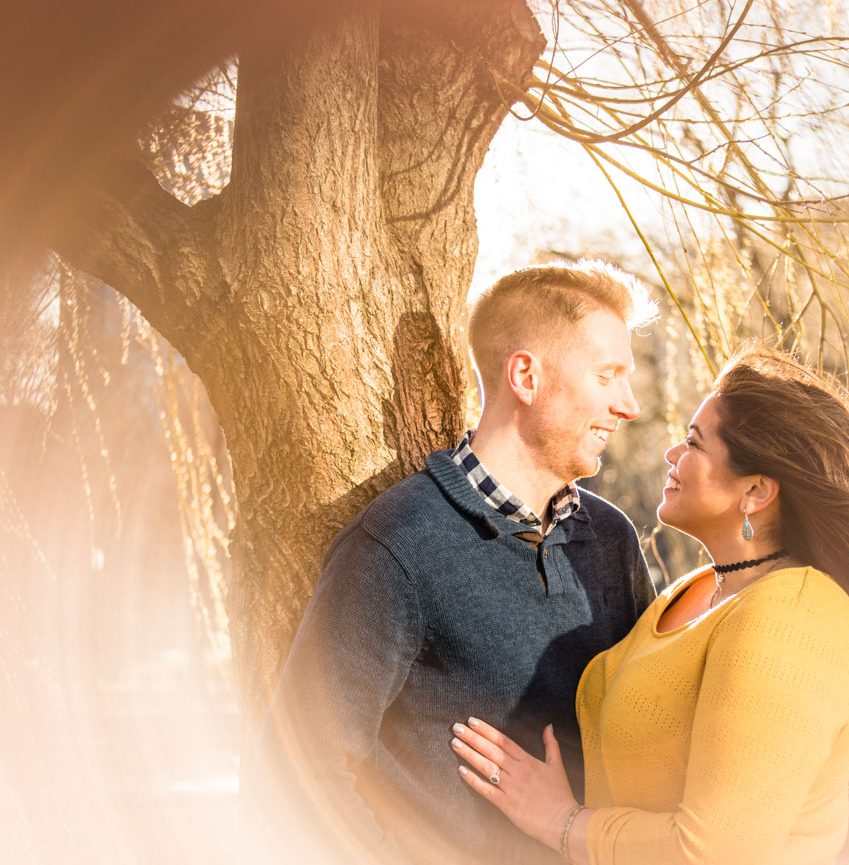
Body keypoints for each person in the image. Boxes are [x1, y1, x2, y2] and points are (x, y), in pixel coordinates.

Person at [450, 345, 849, 864]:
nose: (671, 455)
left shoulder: (794, 616)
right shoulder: (699, 589)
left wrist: (561, 823)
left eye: (694, 444)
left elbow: (715, 852)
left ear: (757, 491)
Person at [253, 261, 660, 865]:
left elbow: (644, 737)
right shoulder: (399, 545)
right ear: (525, 375)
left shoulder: (610, 539)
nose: (627, 405)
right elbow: (296, 780)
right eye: (607, 376)